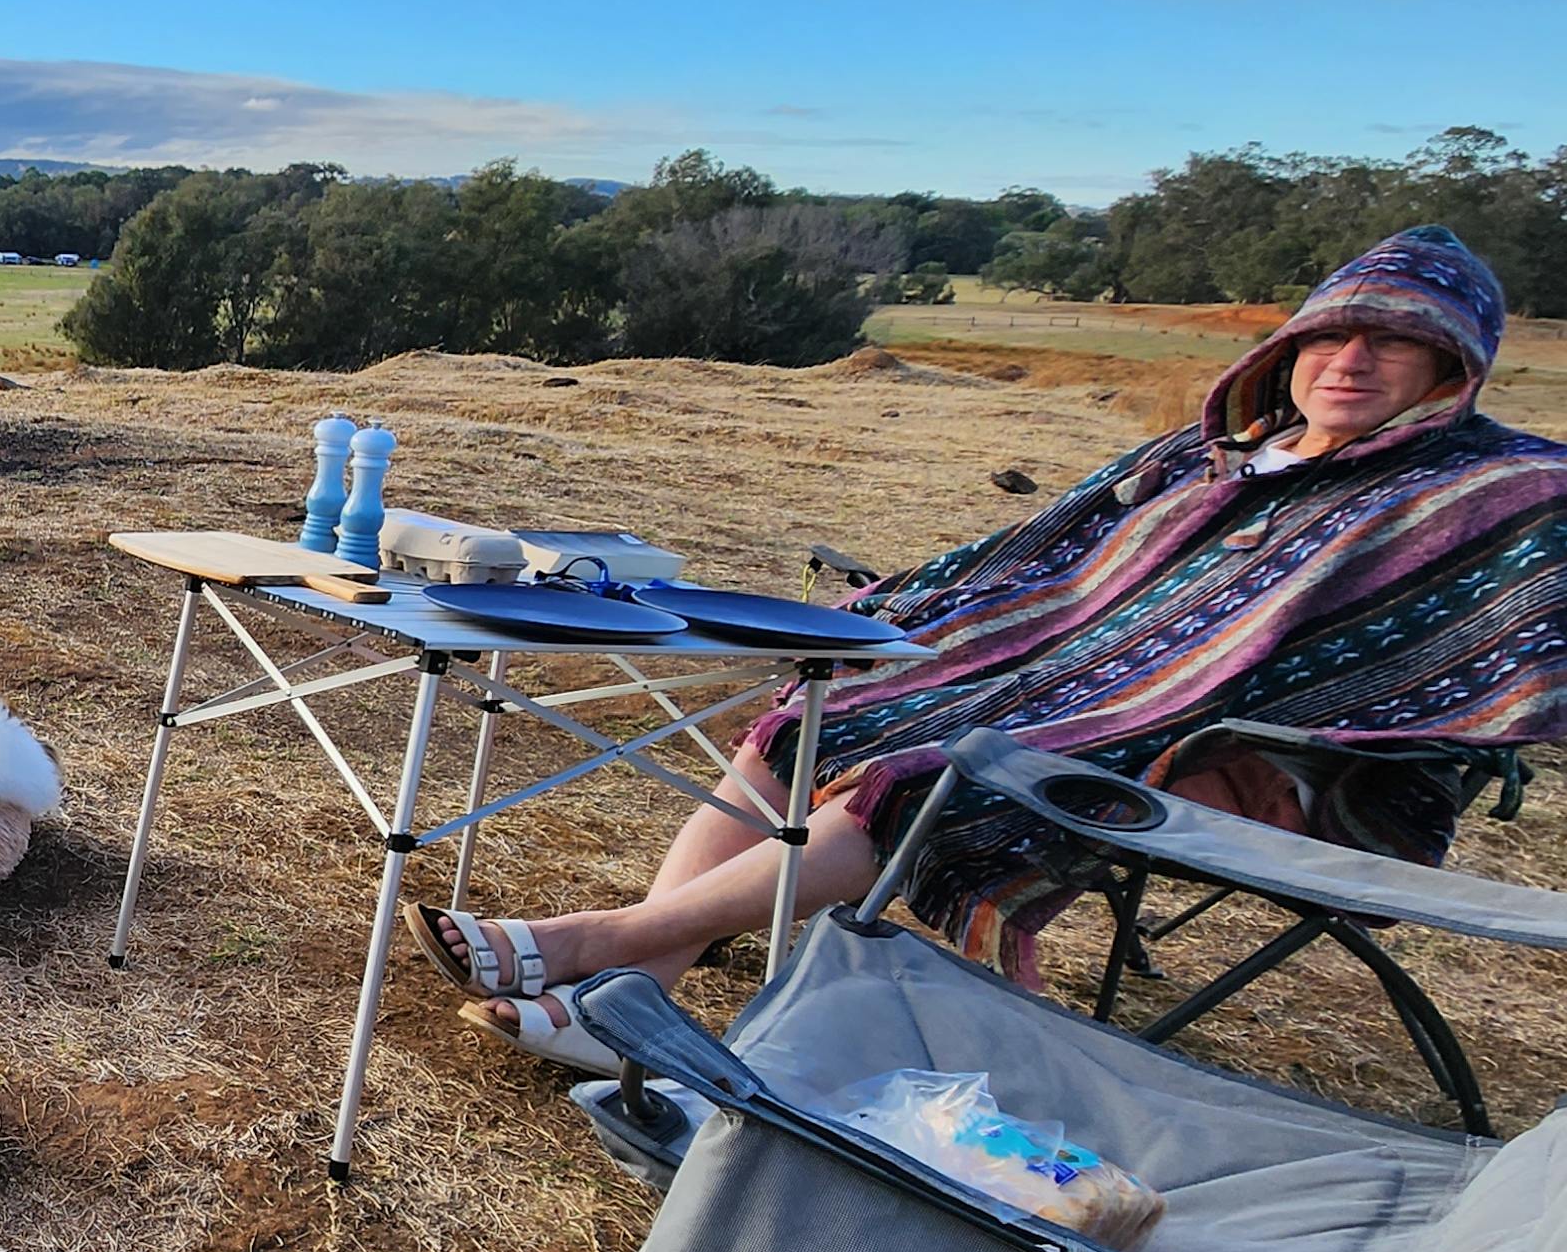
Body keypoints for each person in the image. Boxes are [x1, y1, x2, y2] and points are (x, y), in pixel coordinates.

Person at [428, 225, 1567, 1073]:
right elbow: (1045, 545)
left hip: (1189, 737)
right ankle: (649, 992)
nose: (1350, 362)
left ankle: (604, 943)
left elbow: (1469, 642)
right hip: (1046, 668)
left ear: (1450, 369)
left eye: (1392, 345)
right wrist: (902, 610)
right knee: (819, 707)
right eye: (1330, 335)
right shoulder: (1210, 454)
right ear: (1289, 350)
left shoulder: (1484, 491)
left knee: (932, 772)